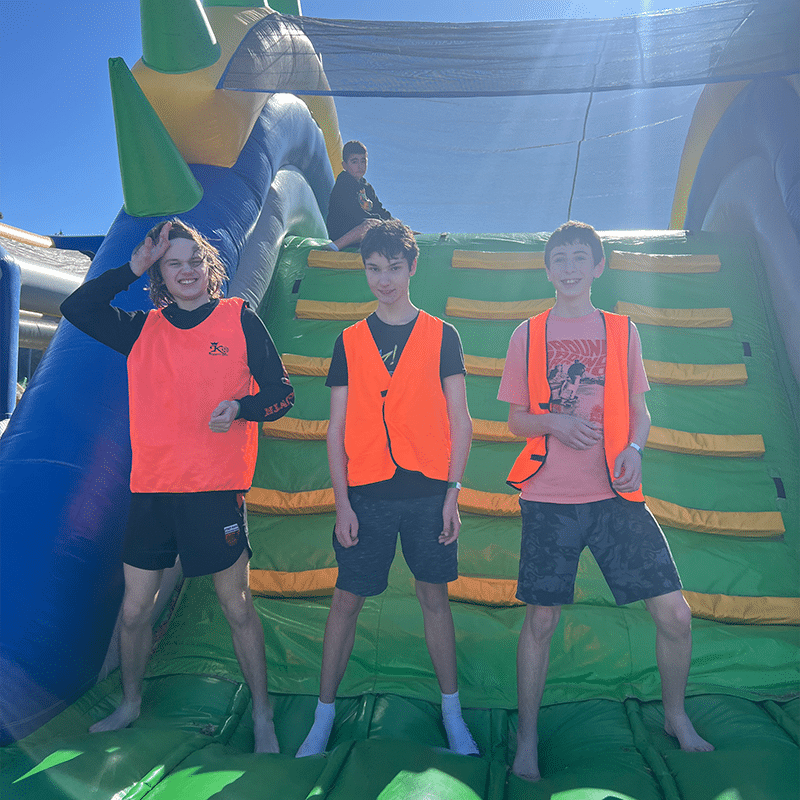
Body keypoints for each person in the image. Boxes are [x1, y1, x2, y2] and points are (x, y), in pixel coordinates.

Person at [60, 219, 294, 753]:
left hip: (215, 492)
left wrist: (242, 407)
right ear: (161, 273)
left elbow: (283, 394)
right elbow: (77, 309)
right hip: (154, 493)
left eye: (193, 261)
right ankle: (130, 702)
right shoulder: (144, 329)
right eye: (173, 263)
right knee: (136, 610)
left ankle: (262, 716)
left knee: (236, 606)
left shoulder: (240, 318)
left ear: (208, 267)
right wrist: (130, 267)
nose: (185, 271)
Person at [498, 221, 714, 781]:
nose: (569, 268)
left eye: (579, 258)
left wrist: (636, 448)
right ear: (548, 270)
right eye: (559, 259)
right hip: (548, 497)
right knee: (541, 622)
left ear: (598, 267)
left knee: (676, 616)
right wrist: (556, 422)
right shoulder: (529, 333)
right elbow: (516, 419)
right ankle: (526, 739)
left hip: (615, 495)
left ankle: (674, 716)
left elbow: (640, 411)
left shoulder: (622, 331)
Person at [295, 219, 478, 758]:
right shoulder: (349, 340)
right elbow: (335, 428)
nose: (384, 279)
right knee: (345, 602)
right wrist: (342, 503)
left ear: (412, 267)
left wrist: (453, 495)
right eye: (373, 268)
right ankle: (321, 719)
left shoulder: (443, 335)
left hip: (427, 493)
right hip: (367, 496)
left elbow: (461, 420)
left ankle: (453, 715)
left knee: (434, 599)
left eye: (394, 268)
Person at [325, 140, 392, 250]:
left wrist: (392, 222)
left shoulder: (367, 187)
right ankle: (335, 246)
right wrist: (383, 223)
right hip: (343, 231)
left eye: (363, 161)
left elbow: (379, 210)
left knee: (394, 226)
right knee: (371, 225)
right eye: (354, 162)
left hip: (363, 229)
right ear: (344, 165)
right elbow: (354, 214)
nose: (360, 166)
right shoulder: (343, 184)